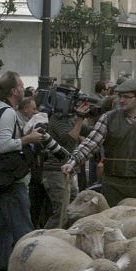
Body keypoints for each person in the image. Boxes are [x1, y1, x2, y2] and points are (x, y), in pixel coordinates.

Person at [0, 71, 44, 271]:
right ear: (13, 90)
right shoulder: (7, 112)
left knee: (0, 229)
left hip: (0, 176)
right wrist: (28, 139)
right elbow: (3, 145)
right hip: (10, 177)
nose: (23, 88)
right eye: (20, 85)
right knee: (23, 230)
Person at [61, 79, 136, 207]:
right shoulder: (108, 117)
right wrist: (72, 162)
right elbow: (91, 143)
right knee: (111, 218)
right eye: (120, 96)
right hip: (113, 183)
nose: (121, 100)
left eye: (126, 97)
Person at [40, 94, 88, 229]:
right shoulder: (57, 119)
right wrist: (80, 118)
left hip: (69, 169)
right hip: (55, 171)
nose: (77, 105)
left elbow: (88, 131)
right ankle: (45, 238)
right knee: (62, 212)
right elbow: (68, 140)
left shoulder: (70, 118)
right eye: (75, 102)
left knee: (73, 210)